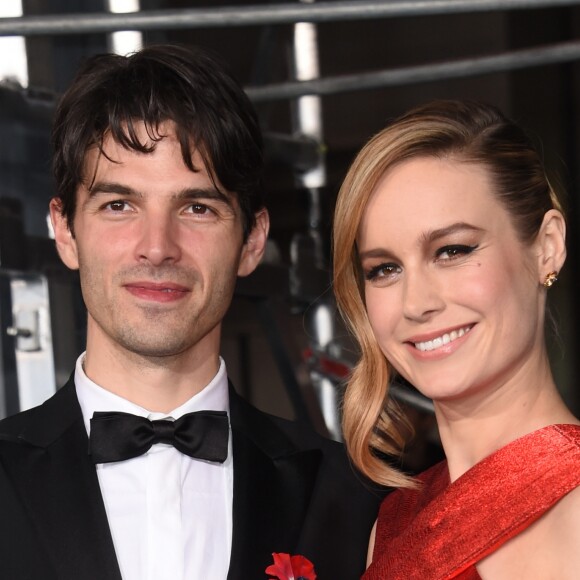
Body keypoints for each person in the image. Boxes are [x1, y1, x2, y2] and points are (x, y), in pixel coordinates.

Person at [0, 44, 380, 580]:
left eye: (197, 207)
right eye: (119, 205)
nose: (157, 247)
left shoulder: (349, 497)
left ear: (252, 241)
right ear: (65, 231)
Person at [332, 100, 580, 579]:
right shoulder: (392, 524)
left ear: (547, 247)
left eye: (452, 250)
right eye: (384, 269)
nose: (415, 302)